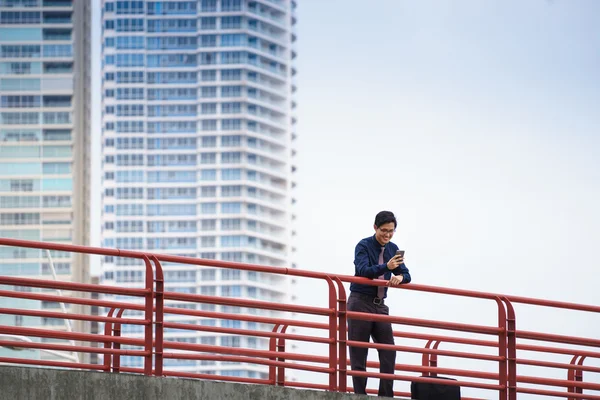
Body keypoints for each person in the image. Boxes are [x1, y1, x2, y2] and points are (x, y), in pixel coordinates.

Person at [348, 210, 411, 397]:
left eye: (391, 231)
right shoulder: (363, 245)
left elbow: (407, 274)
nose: (387, 235)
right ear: (375, 227)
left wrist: (399, 276)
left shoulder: (393, 248)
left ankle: (385, 395)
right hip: (360, 301)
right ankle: (360, 395)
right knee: (359, 352)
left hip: (380, 304)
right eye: (384, 230)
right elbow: (363, 270)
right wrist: (387, 267)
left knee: (389, 350)